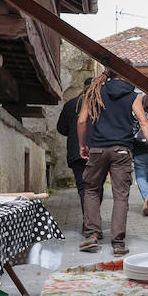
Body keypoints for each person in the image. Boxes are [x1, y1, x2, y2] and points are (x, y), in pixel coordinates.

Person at [77, 70, 148, 257]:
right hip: (122, 150)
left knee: (91, 190)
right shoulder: (133, 96)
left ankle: (91, 236)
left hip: (97, 149)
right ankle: (118, 244)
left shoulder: (94, 92)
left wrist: (82, 145)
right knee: (121, 196)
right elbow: (144, 123)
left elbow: (82, 120)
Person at [56, 78, 98, 232]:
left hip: (77, 152)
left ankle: (89, 223)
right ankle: (93, 222)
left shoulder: (70, 105)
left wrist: (73, 133)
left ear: (83, 87)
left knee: (83, 188)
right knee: (96, 187)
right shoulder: (101, 105)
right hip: (98, 151)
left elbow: (61, 128)